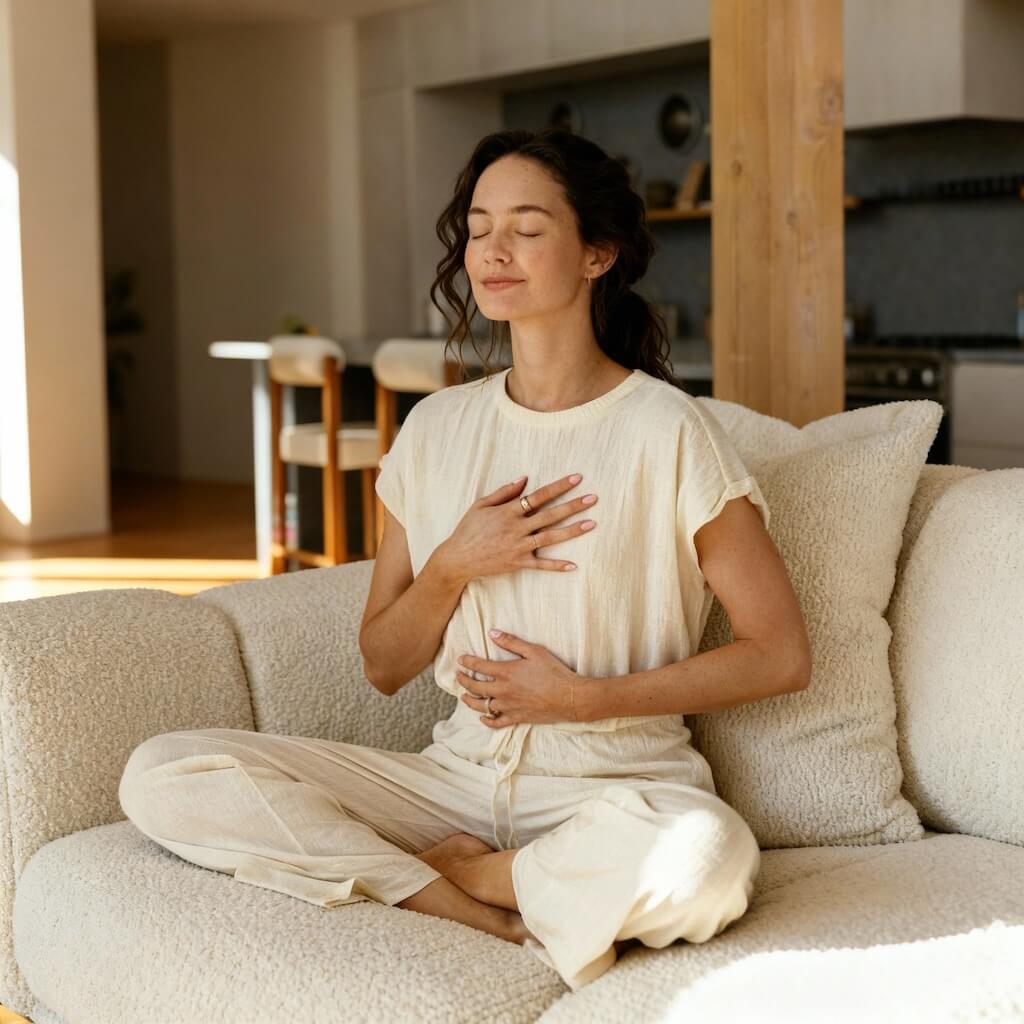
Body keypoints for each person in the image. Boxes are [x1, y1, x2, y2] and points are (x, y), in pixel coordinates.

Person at [118, 127, 811, 994]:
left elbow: (780, 653)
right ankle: (474, 905)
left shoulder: (670, 430)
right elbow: (383, 664)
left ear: (597, 253)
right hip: (451, 782)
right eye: (479, 229)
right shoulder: (436, 429)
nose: (493, 251)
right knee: (164, 772)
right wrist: (452, 562)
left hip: (614, 786)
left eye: (526, 227)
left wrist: (582, 700)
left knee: (708, 858)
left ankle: (472, 874)